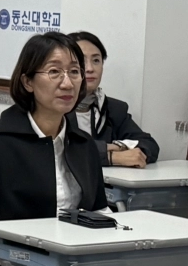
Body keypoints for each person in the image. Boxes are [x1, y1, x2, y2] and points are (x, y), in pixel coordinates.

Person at [0, 32, 110, 266]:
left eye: (74, 72)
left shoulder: (83, 144)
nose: (67, 83)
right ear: (27, 81)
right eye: (54, 72)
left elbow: (99, 212)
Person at [68, 31, 159, 167]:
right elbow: (60, 149)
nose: (90, 68)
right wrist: (110, 156)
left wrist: (118, 146)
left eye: (96, 60)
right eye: (81, 61)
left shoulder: (113, 109)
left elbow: (149, 145)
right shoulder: (51, 106)